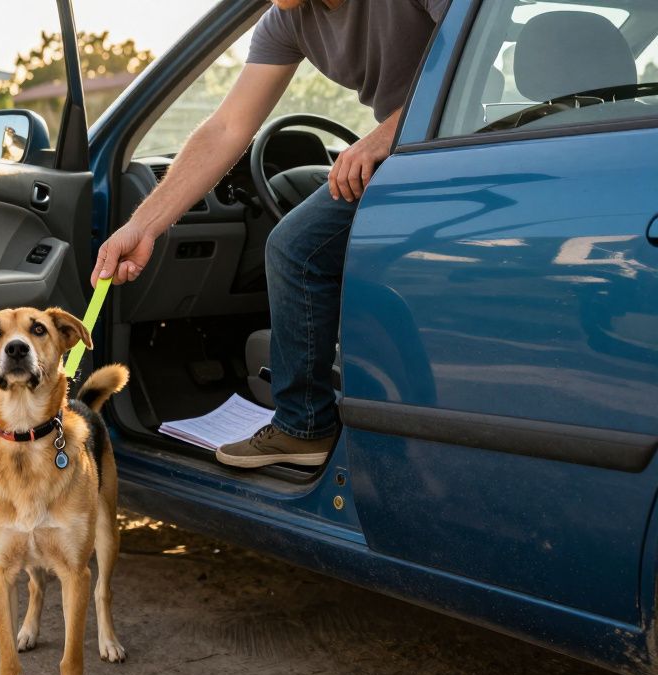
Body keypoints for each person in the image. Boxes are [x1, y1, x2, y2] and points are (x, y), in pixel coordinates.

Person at [92, 0, 450, 469]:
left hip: (471, 141)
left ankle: (304, 428)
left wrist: (382, 137)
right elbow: (226, 127)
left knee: (295, 248)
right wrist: (142, 226)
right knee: (300, 244)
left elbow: (473, 57)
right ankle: (322, 426)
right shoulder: (286, 19)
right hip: (411, 149)